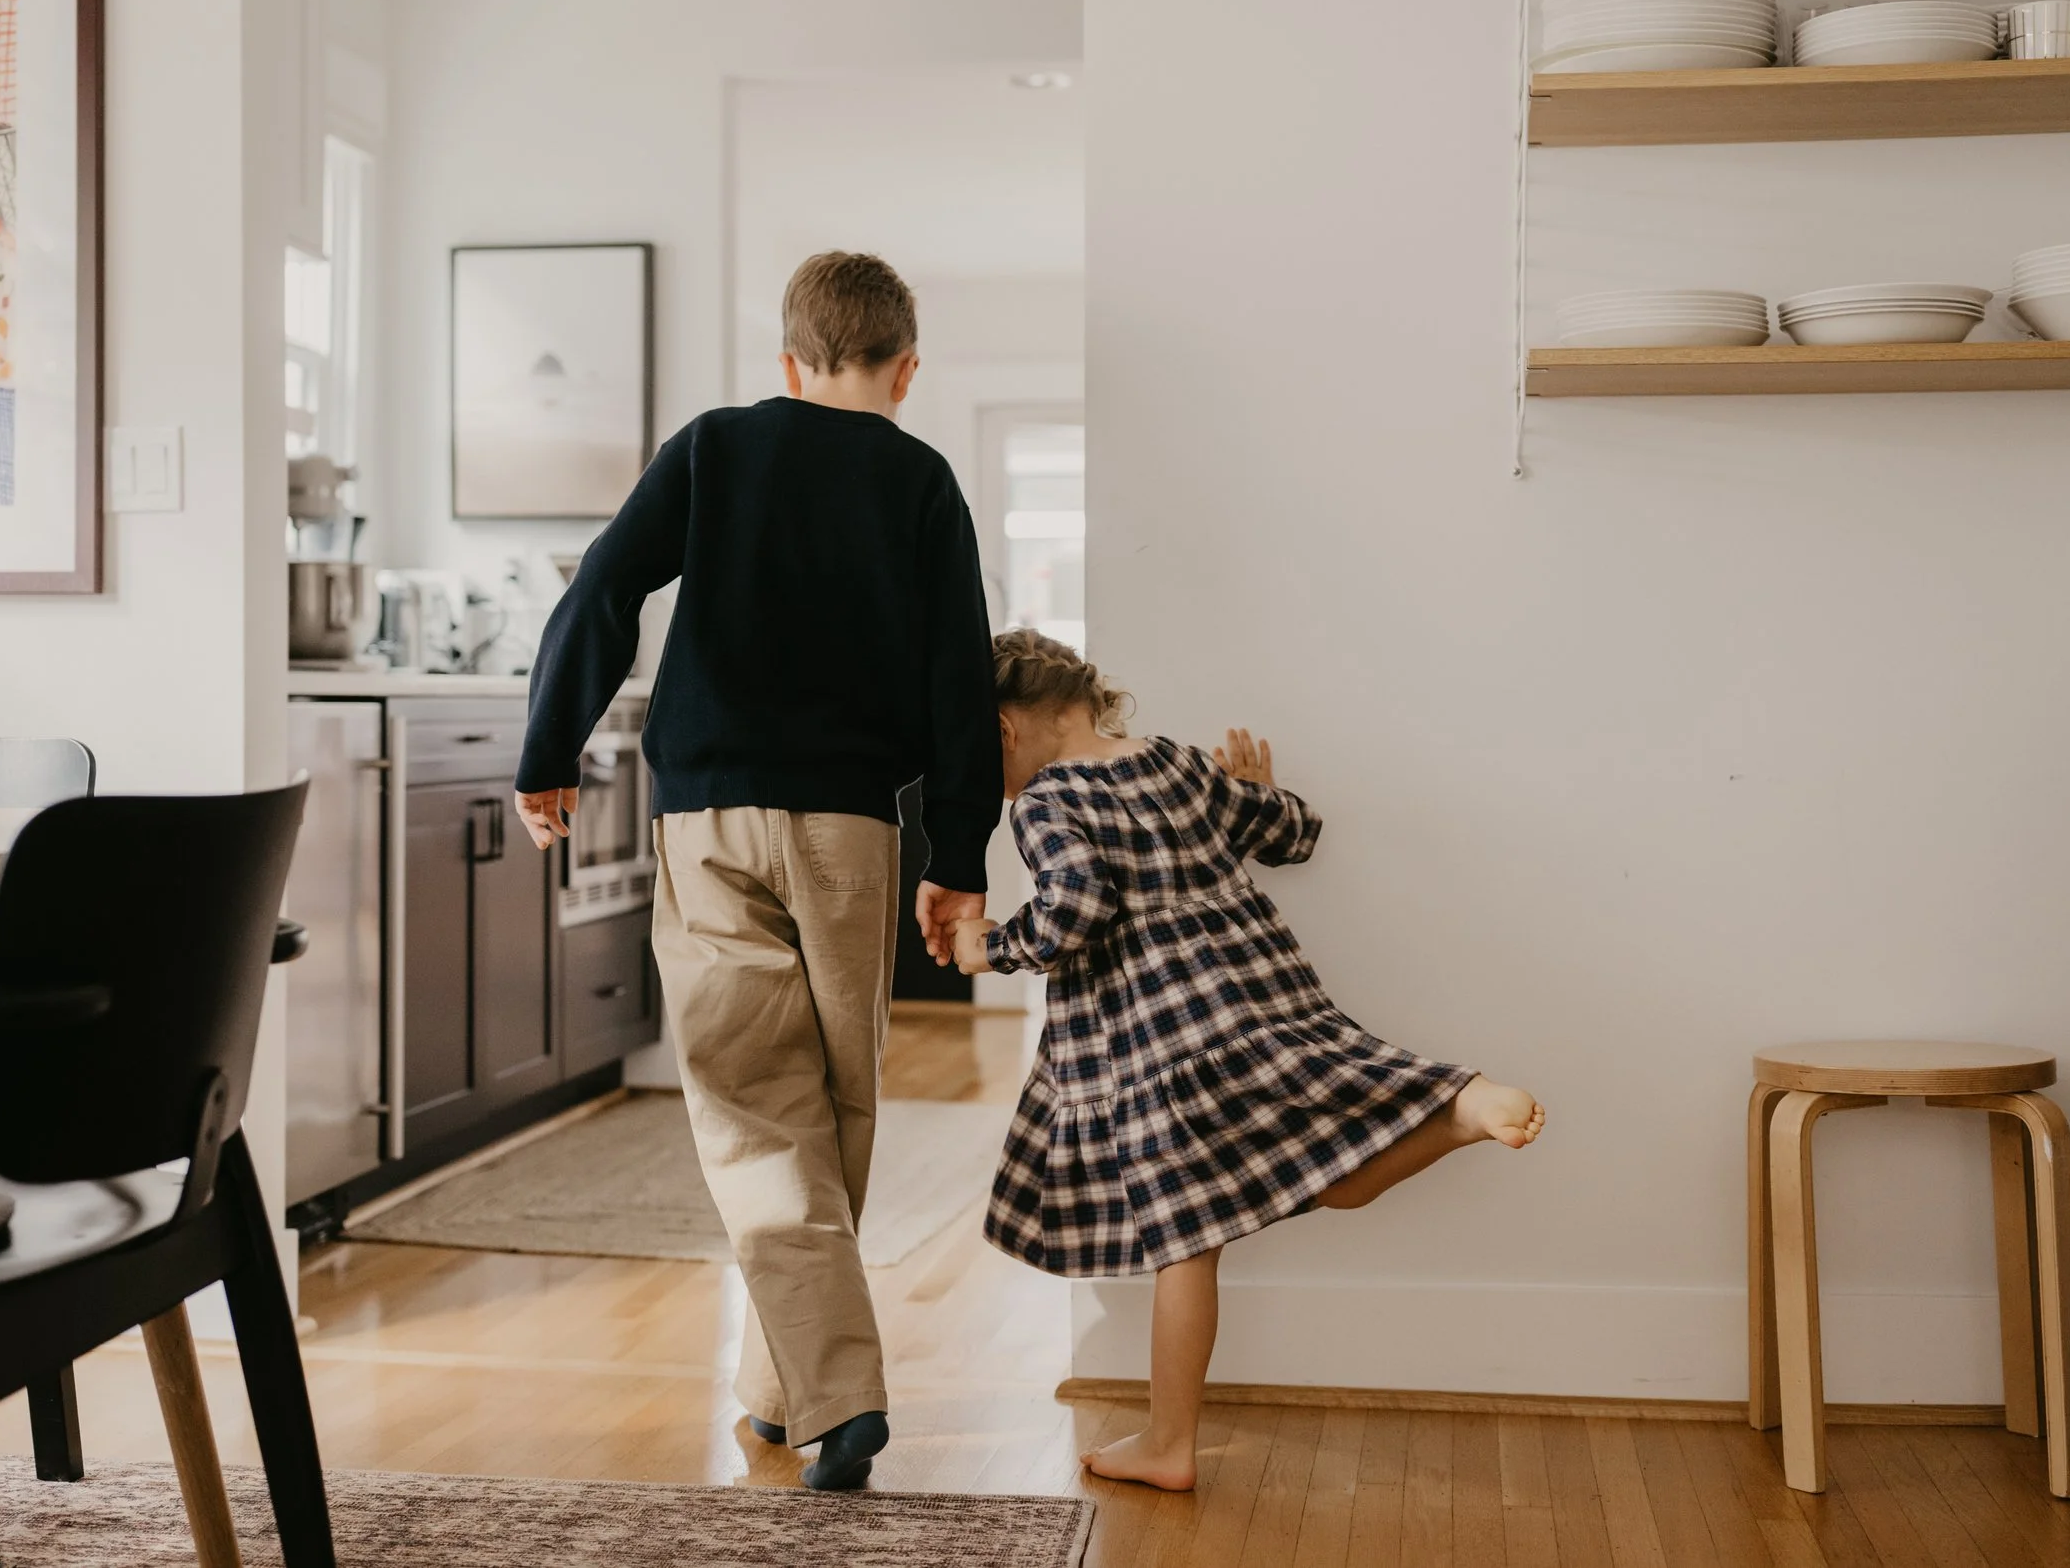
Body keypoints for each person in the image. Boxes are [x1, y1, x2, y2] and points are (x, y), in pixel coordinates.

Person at [513, 251, 999, 1491]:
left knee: (750, 1105)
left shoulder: (716, 446)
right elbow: (958, 679)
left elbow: (605, 583)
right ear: (905, 370)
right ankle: (800, 1392)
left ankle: (823, 1390)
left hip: (712, 821)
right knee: (834, 1100)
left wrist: (549, 746)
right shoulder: (921, 476)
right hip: (852, 833)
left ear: (789, 360)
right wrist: (960, 857)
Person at [953, 630, 1543, 1492]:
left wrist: (992, 948)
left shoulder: (1043, 801)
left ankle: (1170, 1441)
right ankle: (1457, 1108)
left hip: (1156, 1037)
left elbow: (1075, 906)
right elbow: (1291, 833)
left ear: (1004, 729)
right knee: (1334, 1172)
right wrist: (1257, 793)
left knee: (1184, 1244)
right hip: (1257, 999)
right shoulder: (1176, 762)